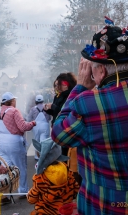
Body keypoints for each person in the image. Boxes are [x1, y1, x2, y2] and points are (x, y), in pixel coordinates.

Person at [51, 18, 128, 215]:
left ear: (101, 70)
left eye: (92, 67)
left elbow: (59, 134)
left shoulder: (88, 103)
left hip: (104, 204)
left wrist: (80, 87)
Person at [0, 92, 36, 202]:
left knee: (5, 169)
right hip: (13, 141)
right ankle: (23, 191)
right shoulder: (14, 111)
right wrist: (32, 123)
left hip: (0, 141)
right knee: (20, 167)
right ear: (12, 101)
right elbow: (23, 127)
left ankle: (5, 194)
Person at [27, 138, 79, 215]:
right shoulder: (68, 171)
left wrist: (29, 195)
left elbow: (32, 199)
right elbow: (76, 190)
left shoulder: (40, 177)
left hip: (45, 212)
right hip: (65, 211)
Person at [44, 72, 77, 157]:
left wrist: (53, 106)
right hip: (57, 127)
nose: (56, 87)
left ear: (65, 85)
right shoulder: (58, 96)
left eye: (58, 85)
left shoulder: (70, 96)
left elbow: (65, 112)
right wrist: (48, 110)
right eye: (55, 85)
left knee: (64, 154)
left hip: (66, 129)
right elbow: (56, 113)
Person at [27, 94, 51, 160]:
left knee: (36, 141)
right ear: (43, 100)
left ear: (35, 101)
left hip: (36, 126)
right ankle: (43, 156)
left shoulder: (33, 109)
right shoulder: (46, 107)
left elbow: (29, 119)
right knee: (44, 141)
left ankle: (37, 156)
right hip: (45, 126)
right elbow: (49, 118)